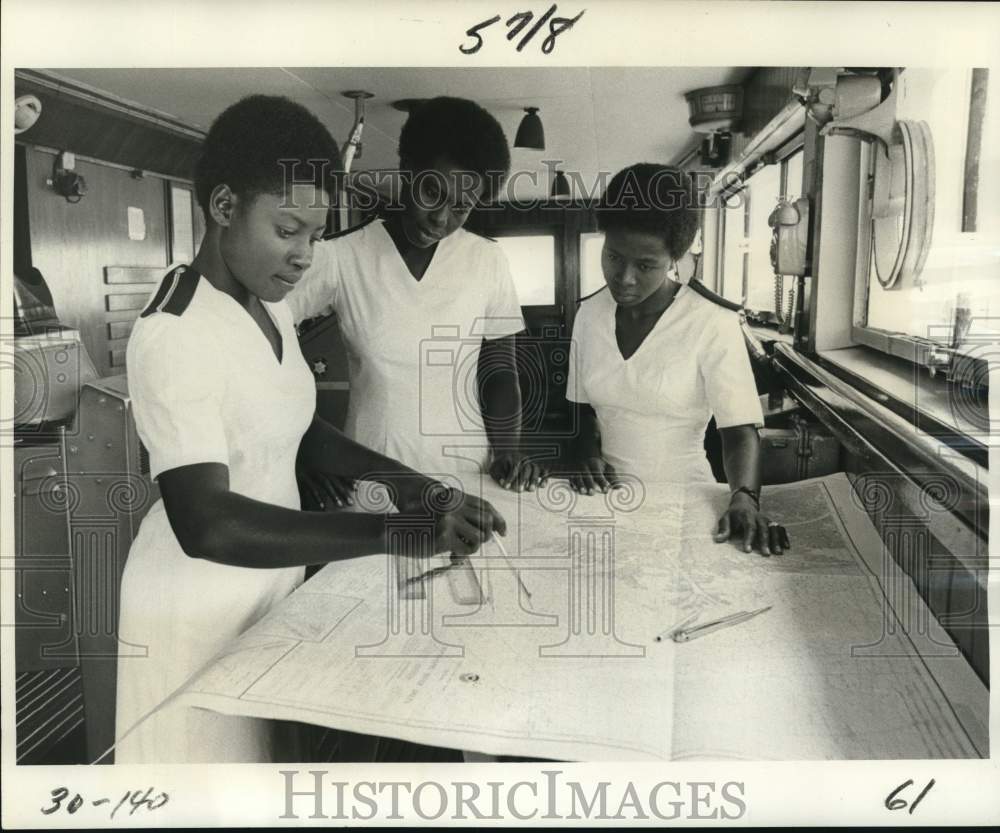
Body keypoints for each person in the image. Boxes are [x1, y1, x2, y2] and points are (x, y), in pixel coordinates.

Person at [115, 95, 505, 764]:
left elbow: (302, 430)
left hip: (267, 587)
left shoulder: (261, 305)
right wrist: (389, 532)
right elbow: (206, 522)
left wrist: (415, 487)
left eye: (316, 236)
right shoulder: (174, 332)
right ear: (225, 207)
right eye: (288, 229)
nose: (303, 256)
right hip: (196, 604)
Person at [287, 96, 548, 500]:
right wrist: (302, 446)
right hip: (373, 479)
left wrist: (508, 450)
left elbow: (500, 373)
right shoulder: (342, 257)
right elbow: (259, 335)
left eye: (462, 207)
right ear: (407, 170)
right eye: (432, 191)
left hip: (467, 476)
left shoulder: (487, 260)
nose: (441, 218)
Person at [565, 163, 789, 556]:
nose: (625, 278)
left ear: (675, 257)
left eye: (646, 265)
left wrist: (744, 499)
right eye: (614, 257)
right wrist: (586, 456)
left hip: (687, 505)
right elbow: (580, 409)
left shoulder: (710, 322)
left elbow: (739, 432)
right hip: (605, 501)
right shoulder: (589, 315)